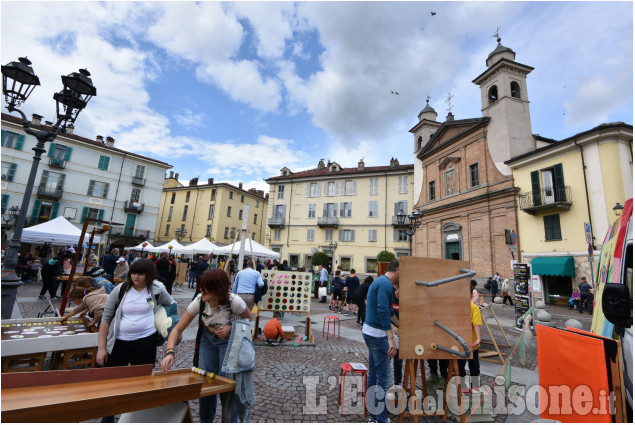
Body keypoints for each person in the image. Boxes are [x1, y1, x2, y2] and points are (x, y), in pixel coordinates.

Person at [160, 269, 252, 423]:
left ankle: (230, 420)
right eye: (200, 286)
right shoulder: (199, 301)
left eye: (205, 287)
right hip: (207, 341)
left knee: (227, 386)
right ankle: (206, 420)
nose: (200, 290)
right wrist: (170, 352)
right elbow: (176, 329)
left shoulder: (235, 301)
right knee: (206, 382)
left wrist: (231, 328)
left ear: (218, 288)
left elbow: (248, 322)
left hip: (229, 344)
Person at [97, 258, 175, 422]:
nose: (136, 276)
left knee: (143, 382)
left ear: (149, 275)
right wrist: (101, 348)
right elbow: (106, 318)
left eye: (141, 273)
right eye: (133, 272)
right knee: (112, 383)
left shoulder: (157, 289)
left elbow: (172, 306)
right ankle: (108, 417)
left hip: (145, 342)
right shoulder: (121, 289)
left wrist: (172, 327)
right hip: (119, 343)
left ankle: (138, 417)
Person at [363, 260, 399, 423]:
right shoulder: (386, 285)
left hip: (369, 332)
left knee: (374, 375)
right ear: (398, 271)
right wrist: (391, 339)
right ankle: (381, 418)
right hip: (377, 336)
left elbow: (390, 311)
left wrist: (401, 325)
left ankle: (373, 414)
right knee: (384, 379)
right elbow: (383, 311)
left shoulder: (381, 281)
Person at [458, 286, 482, 394]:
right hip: (472, 342)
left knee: (460, 365)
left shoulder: (456, 306)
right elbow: (476, 323)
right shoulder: (473, 307)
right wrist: (478, 338)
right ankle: (475, 387)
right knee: (474, 365)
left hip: (459, 342)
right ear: (471, 295)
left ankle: (463, 387)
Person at [386, 282, 402, 401]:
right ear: (397, 288)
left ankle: (397, 383)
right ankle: (386, 384)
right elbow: (386, 314)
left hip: (401, 334)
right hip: (389, 333)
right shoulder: (390, 297)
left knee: (399, 360)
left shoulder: (406, 299)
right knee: (388, 357)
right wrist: (393, 326)